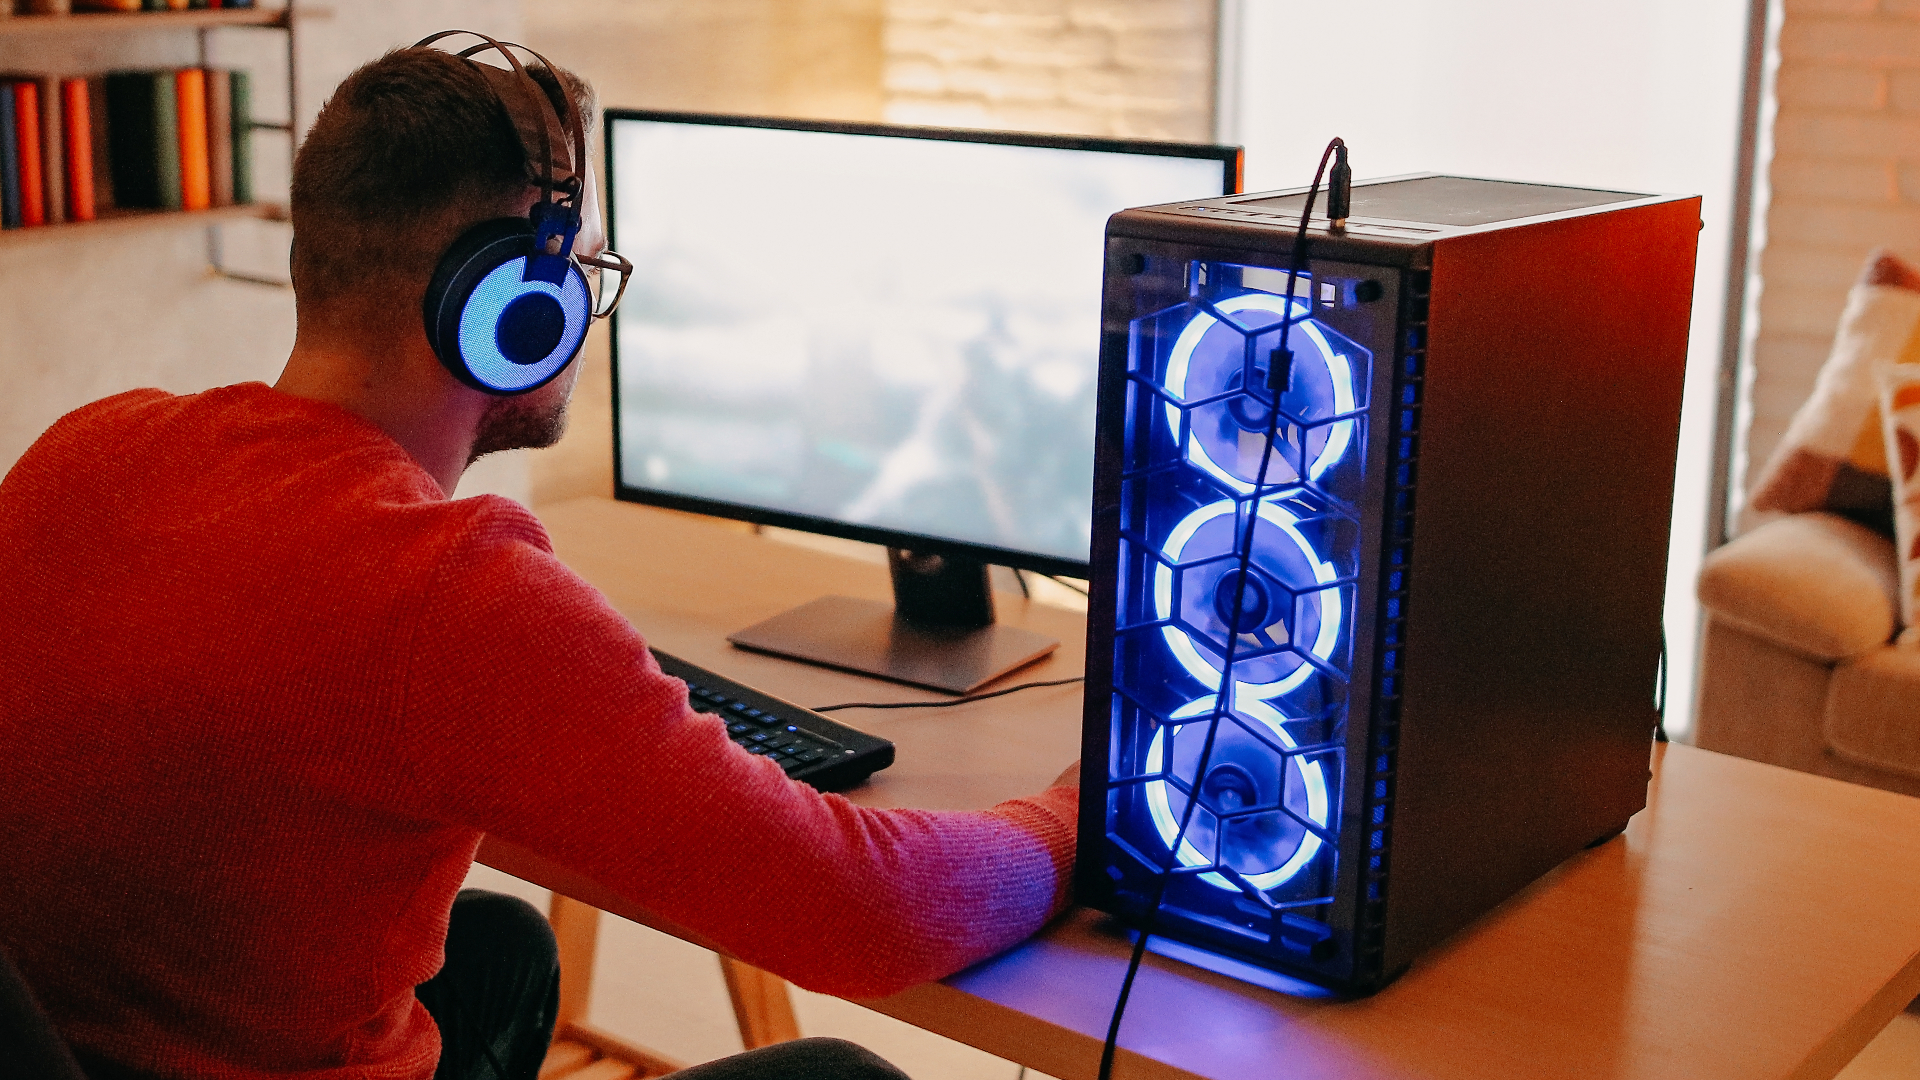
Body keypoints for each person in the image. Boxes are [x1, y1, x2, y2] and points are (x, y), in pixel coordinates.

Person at [0, 36, 1078, 1080]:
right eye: (586, 271)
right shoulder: (444, 589)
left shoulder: (89, 444)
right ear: (511, 306)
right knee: (840, 1075)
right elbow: (871, 920)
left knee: (499, 949)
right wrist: (1082, 818)